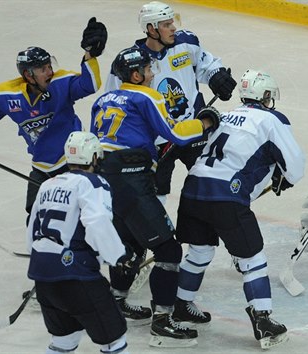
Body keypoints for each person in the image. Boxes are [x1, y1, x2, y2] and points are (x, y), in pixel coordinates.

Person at [90, 46, 220, 348]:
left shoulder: (103, 99)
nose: (152, 74)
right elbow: (176, 133)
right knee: (169, 251)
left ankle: (116, 300)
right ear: (136, 75)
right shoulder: (145, 95)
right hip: (132, 179)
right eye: (148, 70)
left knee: (131, 243)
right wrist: (205, 122)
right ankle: (163, 322)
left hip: (105, 178)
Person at [174, 69, 305, 349]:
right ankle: (263, 320)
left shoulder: (226, 114)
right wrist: (284, 178)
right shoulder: (272, 120)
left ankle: (181, 304)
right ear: (265, 97)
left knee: (199, 251)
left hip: (193, 190)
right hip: (226, 198)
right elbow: (295, 168)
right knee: (253, 258)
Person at [0, 17, 108, 219]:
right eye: (43, 69)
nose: (49, 72)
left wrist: (89, 55)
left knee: (84, 213)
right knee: (34, 216)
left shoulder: (60, 82)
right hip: (41, 166)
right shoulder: (6, 95)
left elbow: (89, 85)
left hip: (73, 161)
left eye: (49, 66)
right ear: (28, 74)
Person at [103, 1, 237, 205]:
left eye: (172, 22)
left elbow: (207, 63)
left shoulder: (186, 43)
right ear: (151, 29)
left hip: (193, 126)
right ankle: (161, 234)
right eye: (166, 24)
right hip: (157, 137)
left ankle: (203, 234)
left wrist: (216, 75)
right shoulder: (130, 63)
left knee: (210, 179)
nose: (173, 27)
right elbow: (115, 99)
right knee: (156, 193)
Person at [26, 132, 132, 354]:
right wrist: (119, 257)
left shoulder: (46, 184)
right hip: (77, 276)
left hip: (43, 277)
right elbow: (98, 221)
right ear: (94, 157)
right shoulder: (93, 183)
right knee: (114, 341)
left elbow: (32, 228)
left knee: (64, 340)